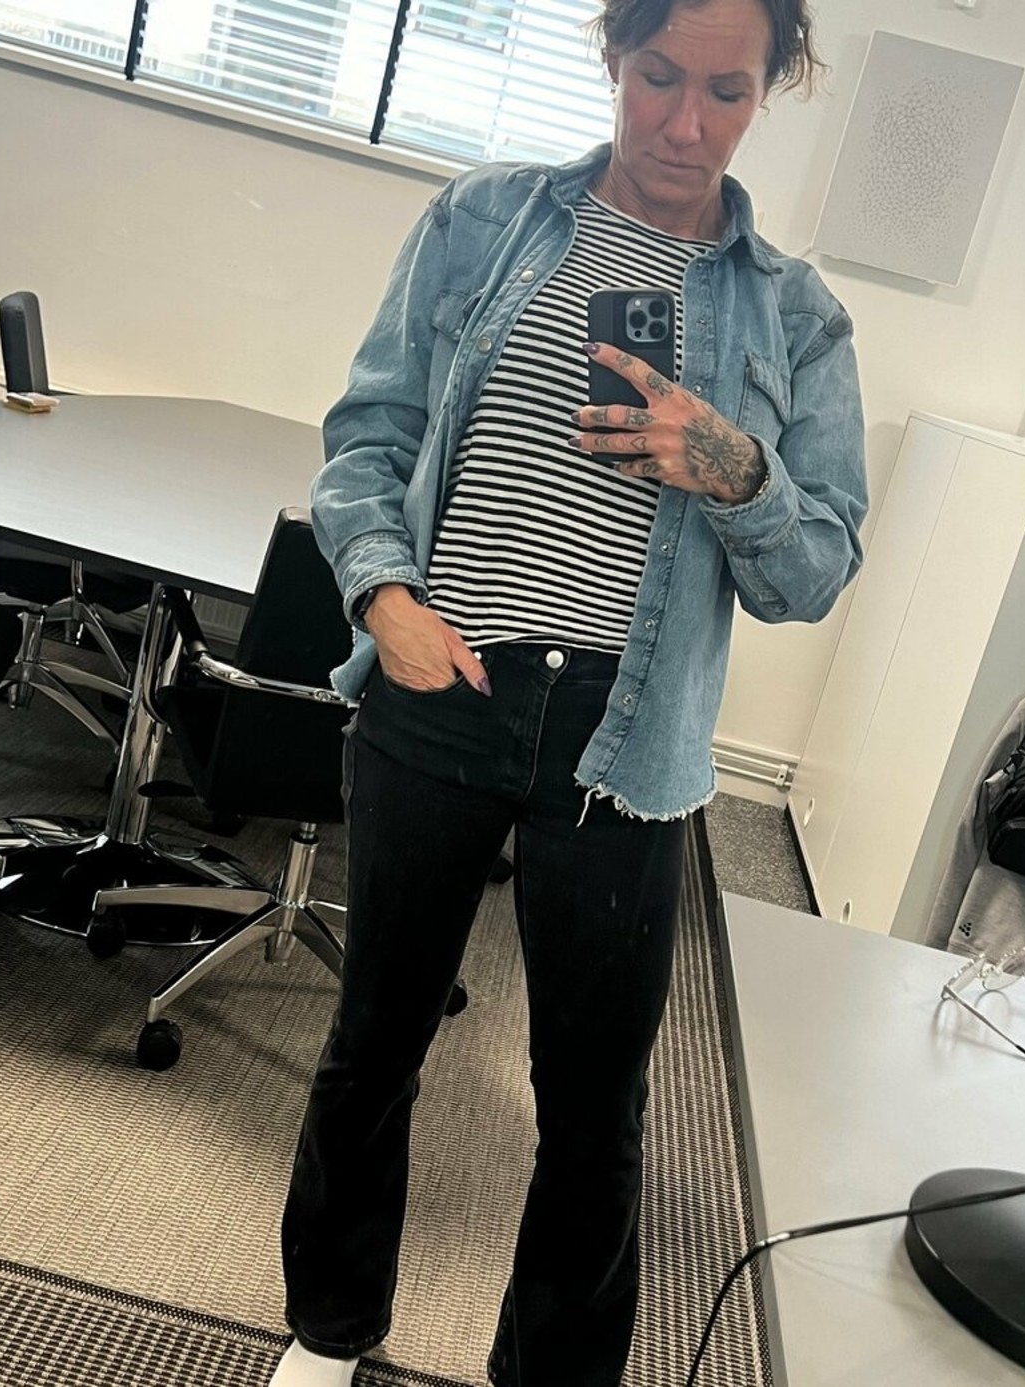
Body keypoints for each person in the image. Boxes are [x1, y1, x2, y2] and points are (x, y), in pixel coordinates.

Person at [272, 0, 867, 1383]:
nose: (684, 124)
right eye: (657, 77)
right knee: (374, 1043)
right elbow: (369, 437)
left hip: (627, 738)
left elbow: (815, 574)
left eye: (725, 91)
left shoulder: (796, 316)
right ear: (611, 55)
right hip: (442, 683)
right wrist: (385, 598)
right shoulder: (484, 220)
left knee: (595, 1105)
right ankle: (326, 1331)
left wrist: (735, 469)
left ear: (771, 87)